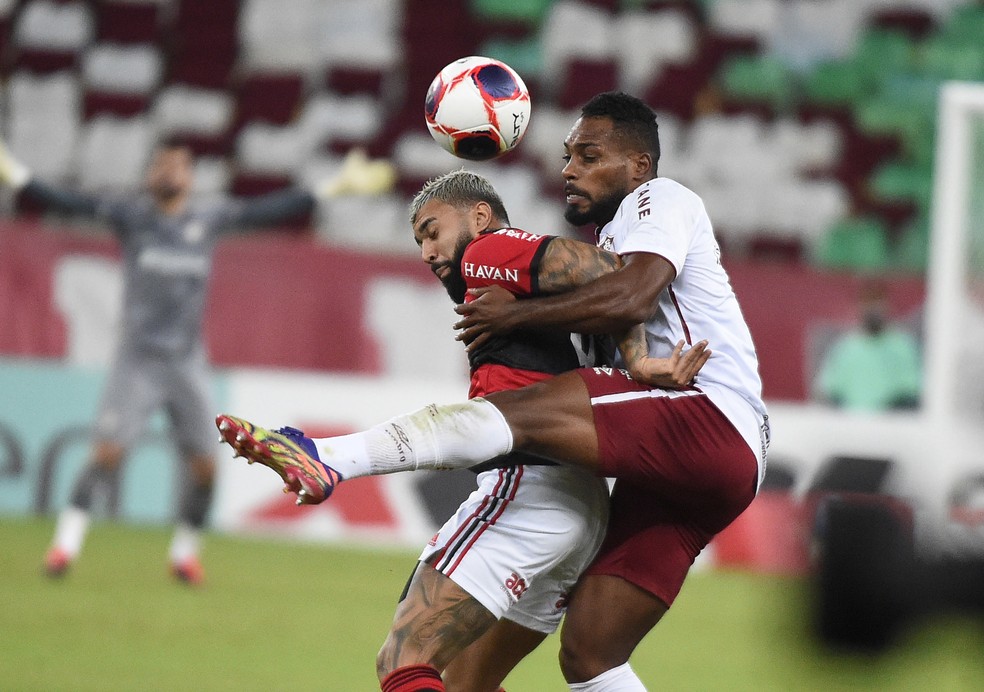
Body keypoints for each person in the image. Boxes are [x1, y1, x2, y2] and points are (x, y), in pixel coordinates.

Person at [217, 91, 768, 690]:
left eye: (588, 156)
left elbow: (631, 292)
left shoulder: (657, 199)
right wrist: (638, 361)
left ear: (638, 165)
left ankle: (330, 457)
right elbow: (623, 300)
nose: (569, 170)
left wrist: (515, 315)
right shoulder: (609, 246)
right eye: (568, 156)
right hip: (676, 476)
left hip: (708, 413)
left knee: (508, 419)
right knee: (589, 654)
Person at [0, 138, 395, 584]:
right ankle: (64, 548)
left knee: (206, 464)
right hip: (138, 361)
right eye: (162, 164)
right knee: (107, 454)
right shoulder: (132, 217)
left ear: (190, 176)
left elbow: (270, 211)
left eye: (179, 165)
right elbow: (66, 203)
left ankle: (185, 555)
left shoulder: (208, 218)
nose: (170, 172)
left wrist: (334, 186)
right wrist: (16, 174)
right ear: (150, 175)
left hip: (186, 363)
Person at [813, 278, 922, 411]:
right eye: (869, 302)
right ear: (859, 306)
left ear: (888, 306)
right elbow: (827, 391)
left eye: (878, 302)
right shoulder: (844, 347)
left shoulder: (903, 346)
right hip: (850, 420)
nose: (873, 309)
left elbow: (913, 391)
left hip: (892, 421)